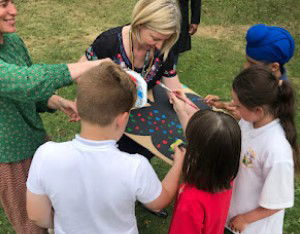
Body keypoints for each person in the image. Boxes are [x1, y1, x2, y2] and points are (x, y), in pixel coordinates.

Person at [26, 61, 185, 234]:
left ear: (77, 105)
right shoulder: (135, 166)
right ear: (122, 119)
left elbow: (37, 215)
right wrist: (178, 164)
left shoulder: (45, 155)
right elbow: (159, 201)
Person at [0, 1, 110, 233]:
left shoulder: (12, 41)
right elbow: (27, 82)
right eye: (2, 5)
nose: (13, 11)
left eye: (12, 2)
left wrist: (57, 102)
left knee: (58, 203)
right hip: (8, 157)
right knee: (31, 222)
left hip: (35, 140)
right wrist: (94, 65)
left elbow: (30, 93)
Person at [79, 0, 195, 162]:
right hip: (107, 120)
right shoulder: (108, 43)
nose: (160, 45)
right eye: (155, 38)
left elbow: (173, 84)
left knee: (134, 167)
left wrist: (182, 103)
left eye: (165, 39)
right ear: (140, 24)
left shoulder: (163, 48)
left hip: (140, 126)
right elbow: (80, 74)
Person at [226, 65, 298, 233]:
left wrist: (245, 218)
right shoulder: (249, 121)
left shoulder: (277, 152)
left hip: (252, 227)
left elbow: (279, 201)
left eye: (238, 106)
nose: (233, 107)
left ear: (258, 110)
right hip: (233, 213)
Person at [168, 92, 241, 233]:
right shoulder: (227, 176)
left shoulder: (190, 202)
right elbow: (204, 138)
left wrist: (178, 164)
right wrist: (183, 109)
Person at [204, 24, 295, 111]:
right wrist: (224, 105)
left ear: (274, 67)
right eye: (247, 60)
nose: (245, 66)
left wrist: (242, 117)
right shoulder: (260, 78)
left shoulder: (279, 99)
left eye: (252, 64)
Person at [172, 0, 202, 65]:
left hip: (179, 12)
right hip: (154, 11)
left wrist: (195, 20)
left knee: (174, 46)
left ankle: (170, 71)